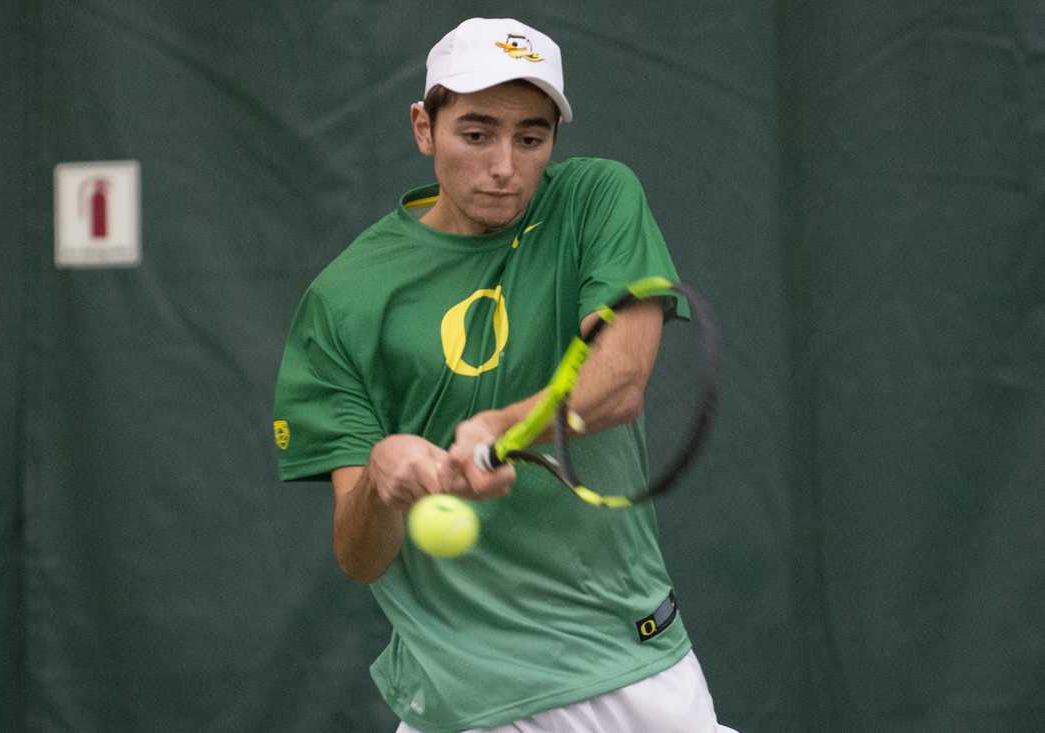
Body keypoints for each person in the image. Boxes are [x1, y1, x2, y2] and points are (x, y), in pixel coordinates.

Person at [273, 17, 737, 733]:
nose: (504, 166)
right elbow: (360, 554)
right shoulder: (343, 300)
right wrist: (382, 475)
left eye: (531, 138)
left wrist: (497, 428)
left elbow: (618, 381)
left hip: (628, 666)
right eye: (477, 133)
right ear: (424, 128)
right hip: (463, 697)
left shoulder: (593, 198)